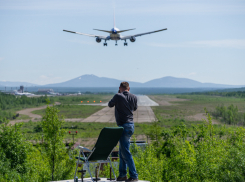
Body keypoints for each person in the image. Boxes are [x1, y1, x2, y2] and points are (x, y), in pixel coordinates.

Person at [108, 82, 138, 182]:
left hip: (123, 126)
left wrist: (118, 95)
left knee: (125, 152)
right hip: (131, 125)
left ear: (120, 88)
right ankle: (122, 175)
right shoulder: (134, 97)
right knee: (122, 151)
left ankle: (134, 176)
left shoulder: (118, 95)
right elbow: (134, 108)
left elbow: (110, 104)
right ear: (129, 88)